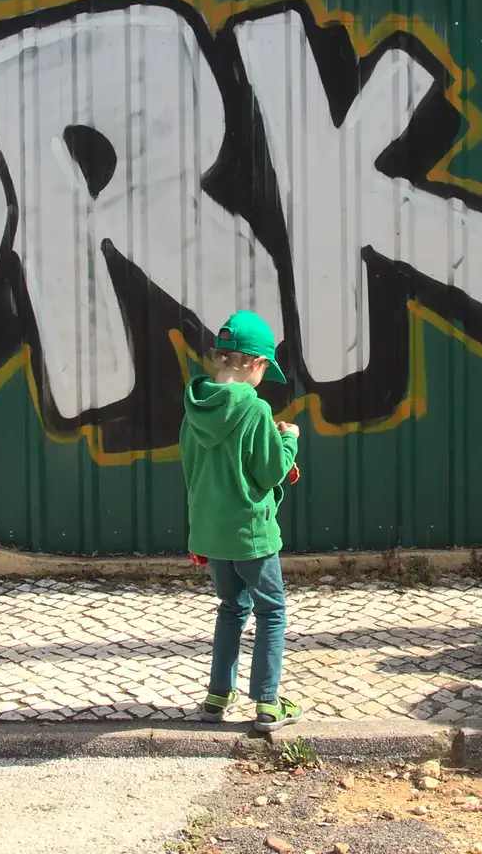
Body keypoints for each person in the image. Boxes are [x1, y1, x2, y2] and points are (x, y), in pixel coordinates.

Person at [180, 310, 304, 732]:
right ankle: (268, 703)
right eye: (266, 367)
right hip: (251, 534)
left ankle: (216, 698)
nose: (264, 377)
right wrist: (288, 438)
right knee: (272, 611)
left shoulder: (195, 407)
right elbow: (270, 472)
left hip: (211, 533)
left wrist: (197, 533)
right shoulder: (254, 409)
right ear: (254, 363)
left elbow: (193, 474)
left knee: (231, 607)